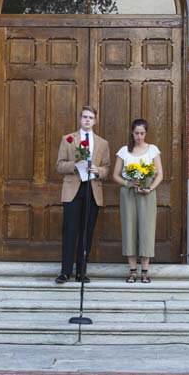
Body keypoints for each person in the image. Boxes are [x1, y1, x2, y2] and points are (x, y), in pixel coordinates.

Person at [55, 106, 110, 284]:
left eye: (91, 117)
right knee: (70, 231)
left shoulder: (102, 143)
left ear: (95, 121)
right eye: (85, 117)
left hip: (92, 189)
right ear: (80, 119)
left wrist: (98, 170)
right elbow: (59, 165)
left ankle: (81, 271)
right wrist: (75, 164)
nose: (87, 120)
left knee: (87, 232)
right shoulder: (68, 139)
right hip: (73, 188)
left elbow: (107, 168)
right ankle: (65, 271)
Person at [112, 119, 163, 284]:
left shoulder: (152, 150)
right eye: (136, 133)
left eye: (142, 133)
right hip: (128, 194)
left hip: (147, 195)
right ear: (132, 133)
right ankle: (133, 271)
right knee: (129, 229)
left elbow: (160, 174)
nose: (139, 136)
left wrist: (151, 188)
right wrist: (128, 183)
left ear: (146, 133)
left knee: (146, 230)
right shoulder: (124, 151)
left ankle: (145, 271)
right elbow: (115, 175)